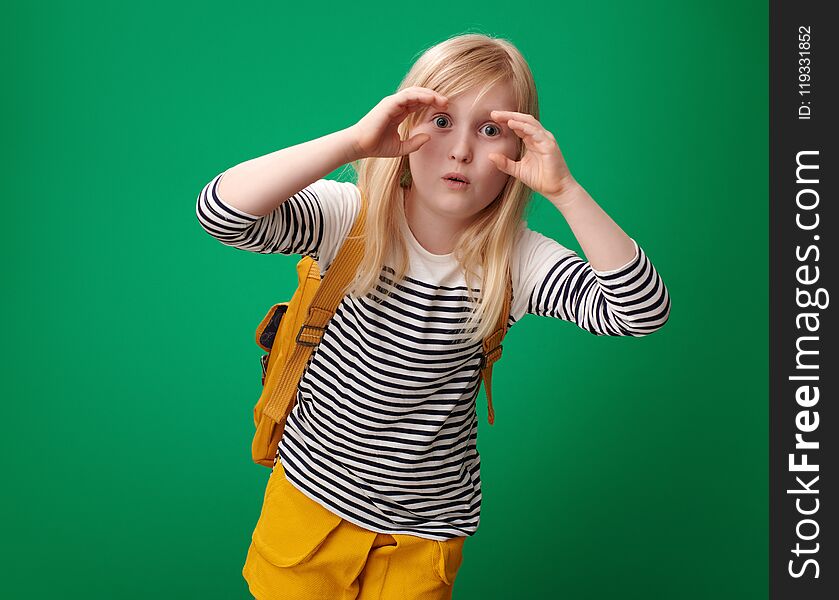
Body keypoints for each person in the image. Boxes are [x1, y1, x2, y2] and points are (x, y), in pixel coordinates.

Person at [196, 33, 670, 600]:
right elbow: (222, 212)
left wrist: (565, 191)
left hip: (424, 533)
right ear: (405, 124)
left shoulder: (515, 260)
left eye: (490, 129)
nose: (462, 151)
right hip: (310, 505)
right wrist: (352, 143)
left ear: (518, 150)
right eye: (442, 121)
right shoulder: (348, 219)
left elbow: (639, 310)